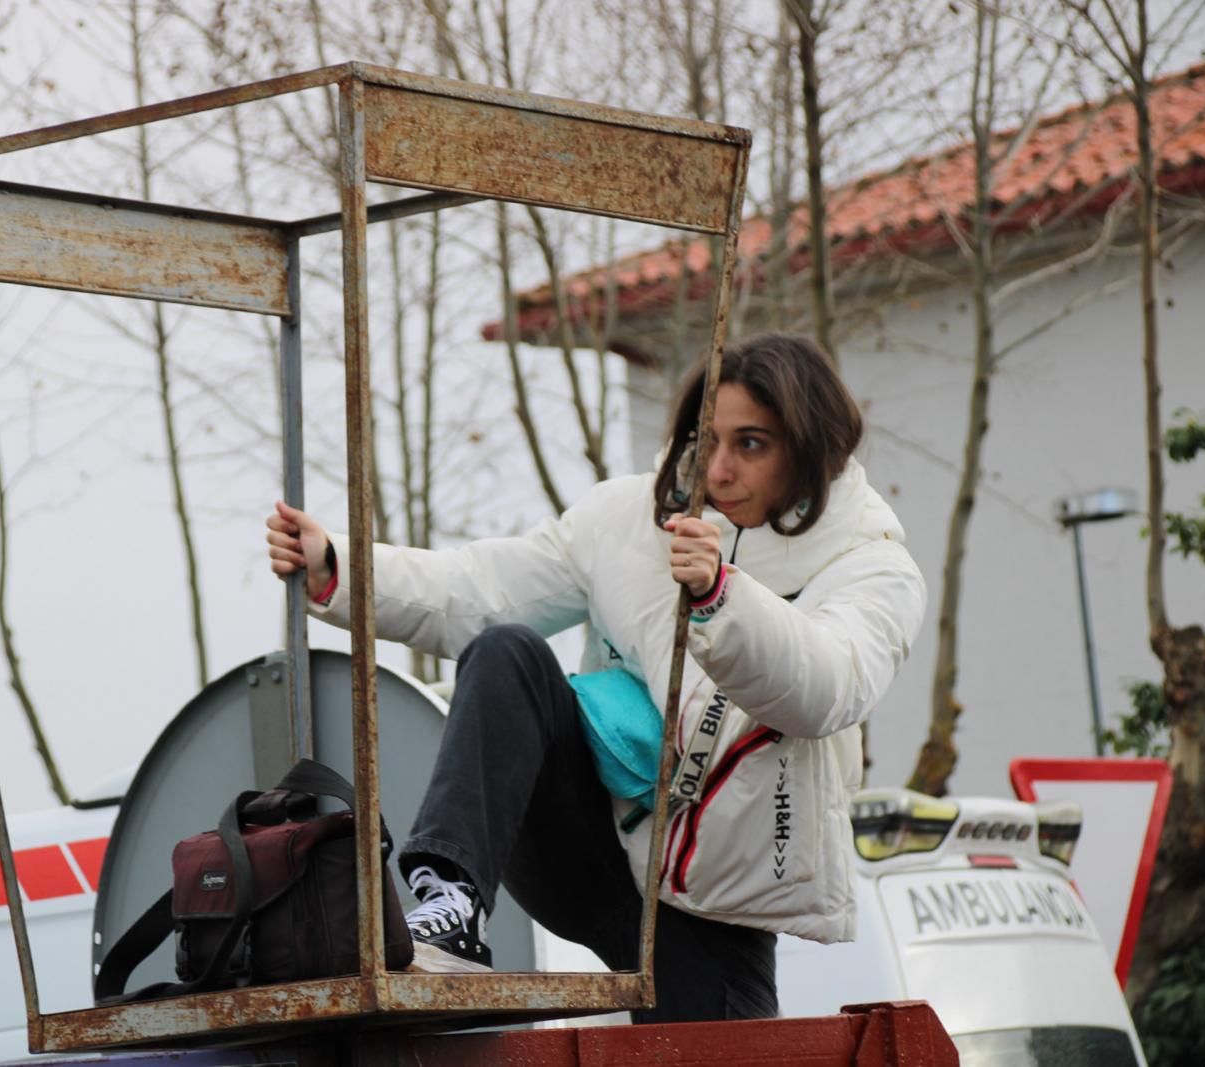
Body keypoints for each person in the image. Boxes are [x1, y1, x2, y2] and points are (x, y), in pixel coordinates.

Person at [264, 332, 925, 1022]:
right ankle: (452, 905)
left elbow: (825, 688)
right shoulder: (627, 520)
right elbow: (478, 589)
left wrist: (721, 598)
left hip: (710, 907)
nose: (719, 470)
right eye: (707, 440)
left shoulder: (872, 566)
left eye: (751, 444)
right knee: (505, 652)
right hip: (590, 849)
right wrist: (337, 564)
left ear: (812, 449)